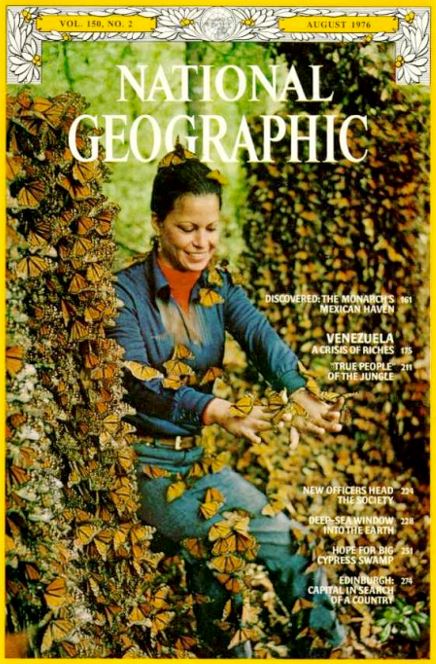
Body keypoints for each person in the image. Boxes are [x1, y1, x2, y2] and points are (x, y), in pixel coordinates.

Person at [110, 143, 345, 657]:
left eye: (211, 228)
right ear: (157, 222)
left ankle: (327, 649)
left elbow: (259, 335)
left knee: (292, 543)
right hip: (145, 471)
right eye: (187, 228)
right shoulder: (124, 292)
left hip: (197, 464)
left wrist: (300, 391)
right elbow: (138, 381)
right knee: (223, 550)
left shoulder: (218, 283)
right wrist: (216, 410)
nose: (202, 242)